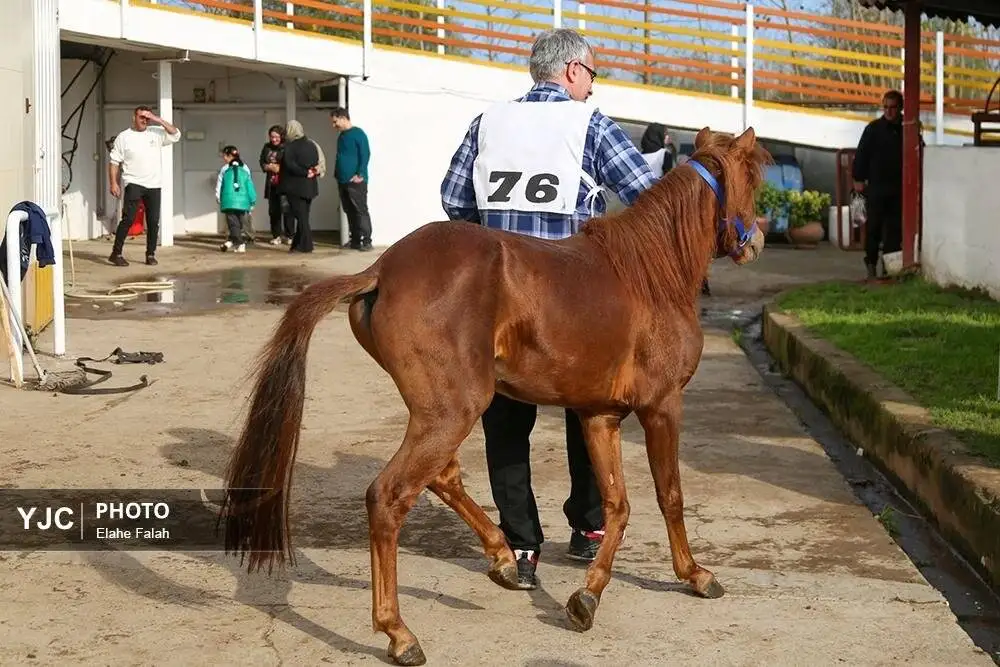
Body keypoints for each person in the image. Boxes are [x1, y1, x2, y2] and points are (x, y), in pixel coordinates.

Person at [440, 27, 658, 590]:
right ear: (572, 71)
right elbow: (646, 195)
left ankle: (520, 543)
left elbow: (454, 197)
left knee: (504, 422)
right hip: (572, 290)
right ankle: (587, 528)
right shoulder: (591, 123)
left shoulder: (489, 120)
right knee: (592, 405)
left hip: (497, 289)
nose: (592, 86)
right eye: (592, 75)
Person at [107, 105, 181, 266]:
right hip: (133, 183)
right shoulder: (124, 137)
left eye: (147, 118)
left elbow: (175, 134)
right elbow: (114, 162)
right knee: (128, 219)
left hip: (154, 184)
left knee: (153, 221)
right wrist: (113, 183)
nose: (144, 121)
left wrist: (157, 119)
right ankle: (116, 253)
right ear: (134, 118)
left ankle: (150, 254)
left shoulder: (156, 132)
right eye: (141, 117)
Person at [853, 89, 903, 280]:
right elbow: (862, 154)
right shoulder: (873, 129)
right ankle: (871, 264)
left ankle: (889, 268)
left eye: (893, 108)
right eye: (886, 107)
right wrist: (858, 178)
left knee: (894, 231)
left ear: (899, 108)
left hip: (897, 188)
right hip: (876, 187)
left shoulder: (906, 129)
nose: (889, 111)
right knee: (873, 228)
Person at [330, 107, 373, 251]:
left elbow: (365, 153)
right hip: (342, 180)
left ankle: (366, 240)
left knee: (360, 210)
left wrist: (360, 174)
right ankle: (355, 240)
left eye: (335, 122)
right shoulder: (342, 136)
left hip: (356, 181)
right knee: (349, 210)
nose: (334, 125)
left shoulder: (358, 134)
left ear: (343, 118)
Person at [279, 120, 320, 254]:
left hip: (295, 187)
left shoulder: (290, 147)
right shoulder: (311, 145)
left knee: (301, 217)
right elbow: (315, 162)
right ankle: (297, 245)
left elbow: (290, 165)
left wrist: (303, 172)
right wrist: (309, 172)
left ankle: (306, 246)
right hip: (310, 186)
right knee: (303, 215)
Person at [216, 145, 257, 254]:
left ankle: (240, 243)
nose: (224, 158)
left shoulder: (225, 169)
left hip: (229, 202)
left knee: (233, 224)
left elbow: (220, 185)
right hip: (243, 203)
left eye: (225, 156)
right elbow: (250, 186)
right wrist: (252, 200)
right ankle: (230, 242)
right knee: (239, 223)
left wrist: (219, 197)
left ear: (229, 156)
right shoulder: (245, 169)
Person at [259, 125, 295, 246]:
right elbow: (262, 161)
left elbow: (291, 163)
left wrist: (280, 168)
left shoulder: (287, 147)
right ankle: (276, 235)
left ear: (281, 136)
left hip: (285, 184)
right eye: (272, 137)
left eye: (276, 137)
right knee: (274, 211)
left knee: (287, 210)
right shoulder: (266, 147)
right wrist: (268, 166)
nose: (274, 139)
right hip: (272, 184)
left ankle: (290, 235)